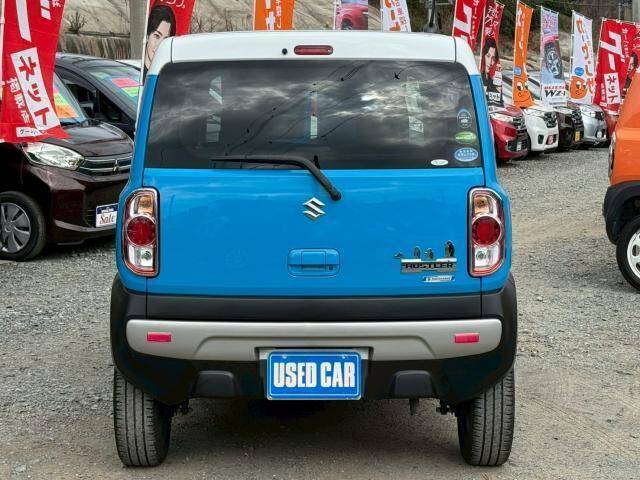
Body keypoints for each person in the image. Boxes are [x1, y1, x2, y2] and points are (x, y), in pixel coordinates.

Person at [143, 4, 176, 79]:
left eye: (165, 39)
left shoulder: (169, 77)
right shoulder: (134, 72)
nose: (159, 45)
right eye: (157, 36)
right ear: (147, 35)